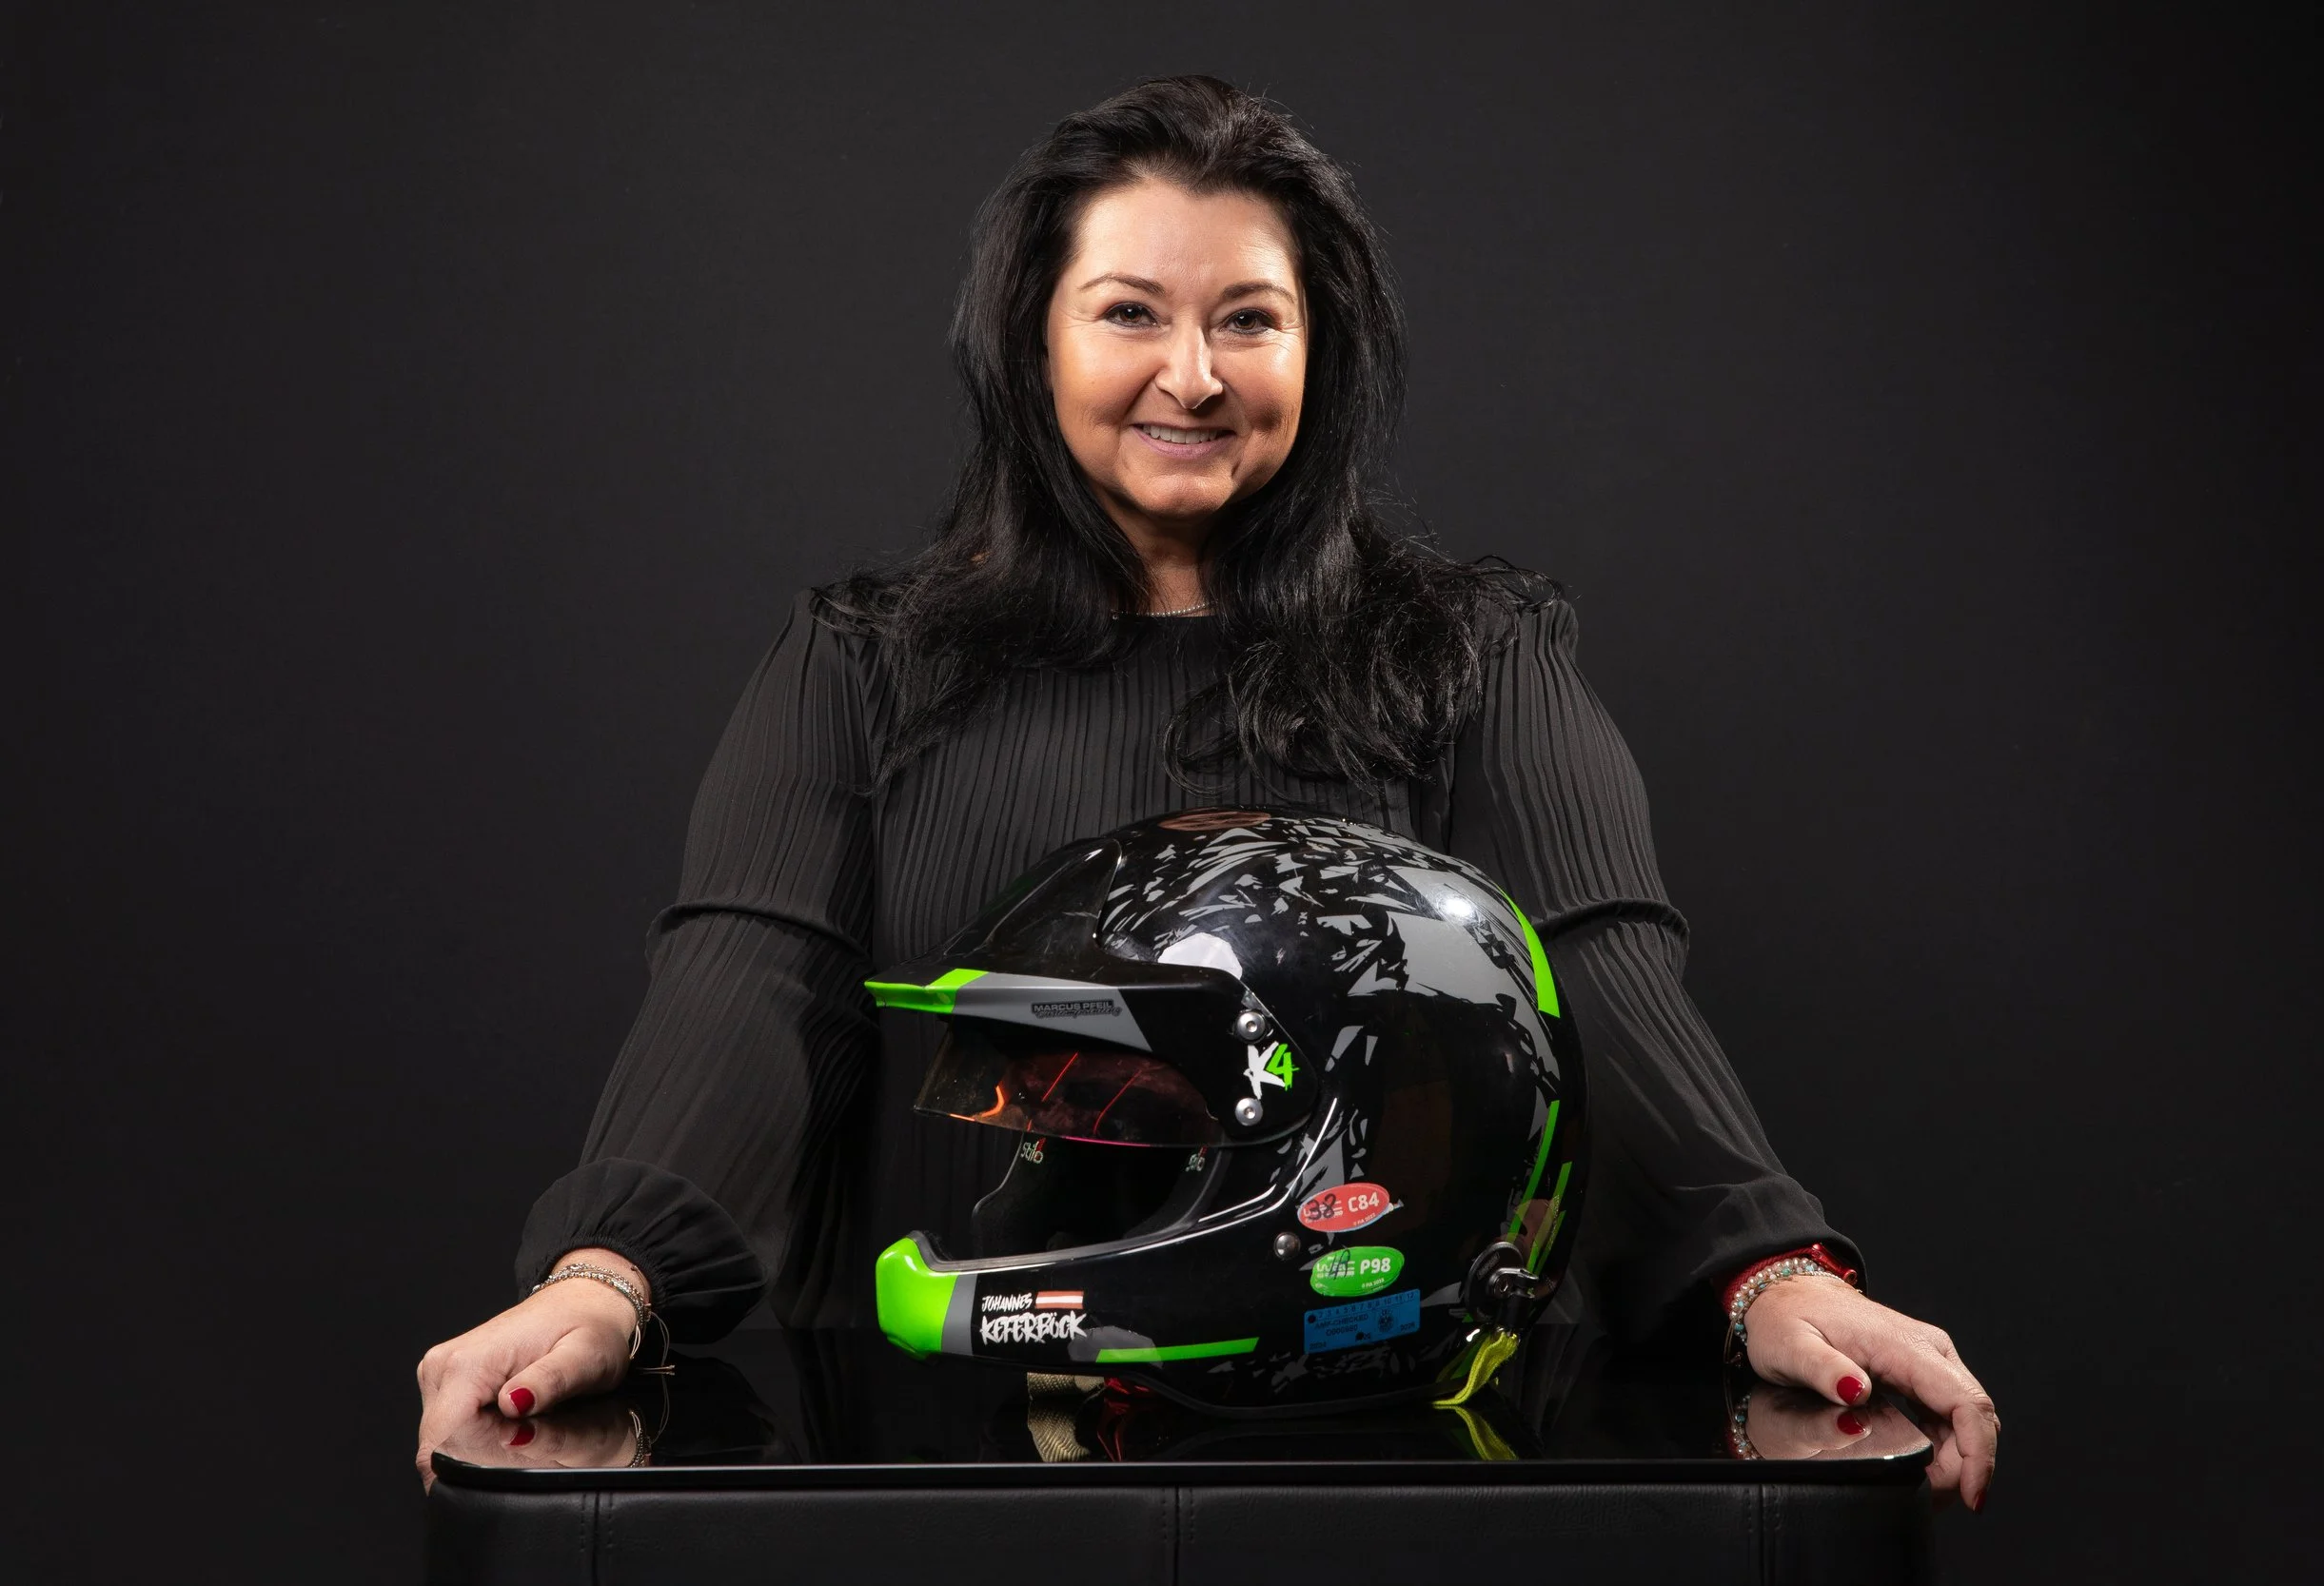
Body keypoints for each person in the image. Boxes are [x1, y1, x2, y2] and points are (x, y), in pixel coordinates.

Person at [415, 75, 1998, 1508]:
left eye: (1250, 319)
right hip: (942, 1474)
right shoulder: (859, 665)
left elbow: (1590, 977)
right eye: (1129, 313)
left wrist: (1766, 1266)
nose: (1193, 374)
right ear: (1032, 341)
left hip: (1370, 1465)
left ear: (1321, 350)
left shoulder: (1475, 654)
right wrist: (607, 1275)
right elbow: (750, 986)